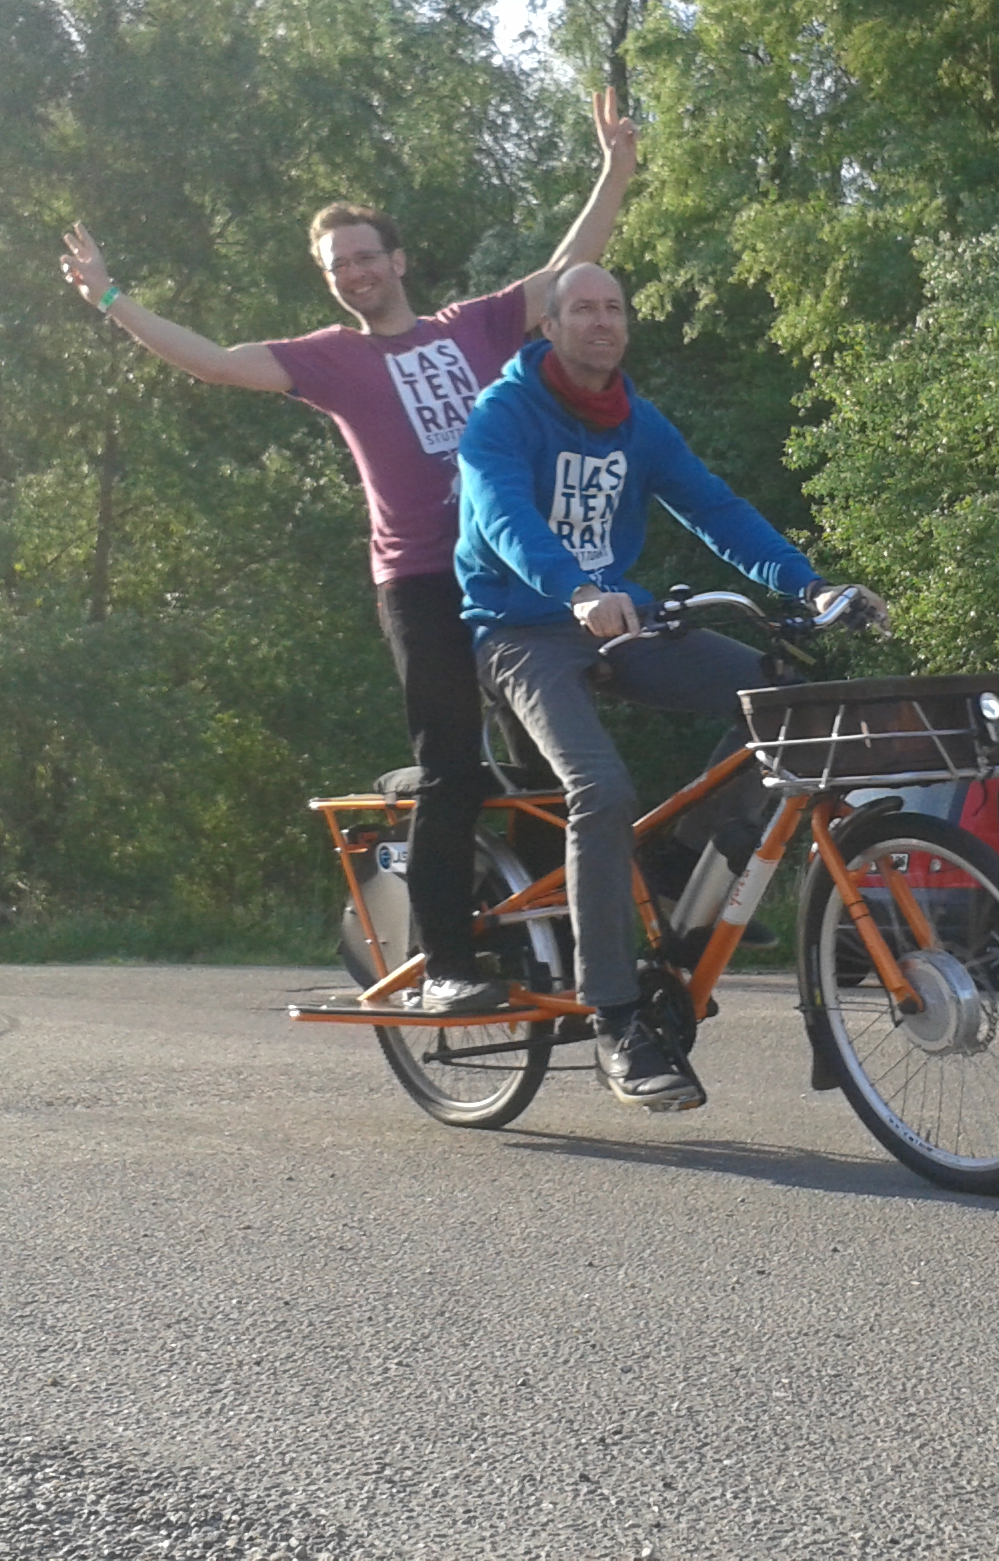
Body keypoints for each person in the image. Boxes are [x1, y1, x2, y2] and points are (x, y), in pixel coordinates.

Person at [60, 93, 640, 1013]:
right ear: (331, 282)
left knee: (557, 768)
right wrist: (113, 299)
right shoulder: (330, 357)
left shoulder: (474, 327)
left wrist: (614, 169)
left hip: (513, 571)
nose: (357, 273)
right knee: (455, 765)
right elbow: (213, 359)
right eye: (340, 266)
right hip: (418, 583)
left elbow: (568, 273)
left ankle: (571, 935)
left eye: (367, 256)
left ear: (398, 261)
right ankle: (447, 967)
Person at [455, 264, 883, 1109]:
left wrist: (809, 586)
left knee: (778, 698)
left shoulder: (638, 425)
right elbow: (505, 517)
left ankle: (685, 859)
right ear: (551, 326)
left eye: (614, 308)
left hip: (621, 619)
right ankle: (615, 1015)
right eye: (583, 309)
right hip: (521, 628)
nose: (601, 322)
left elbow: (715, 509)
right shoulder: (502, 414)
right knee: (601, 791)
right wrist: (575, 588)